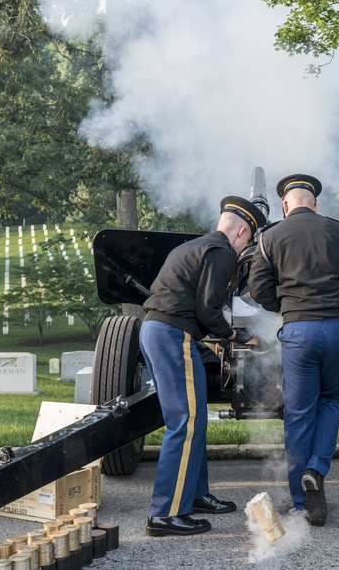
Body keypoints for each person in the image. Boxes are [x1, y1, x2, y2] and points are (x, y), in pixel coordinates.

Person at [140, 194, 267, 537]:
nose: (245, 248)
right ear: (242, 231)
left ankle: (195, 494)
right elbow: (208, 310)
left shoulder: (193, 246)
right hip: (172, 334)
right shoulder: (222, 252)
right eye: (248, 240)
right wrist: (234, 335)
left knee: (193, 421)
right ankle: (165, 514)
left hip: (156, 329)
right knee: (184, 422)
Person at [247, 174, 339, 526]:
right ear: (314, 203)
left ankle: (301, 502)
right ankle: (316, 468)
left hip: (300, 330)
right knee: (331, 401)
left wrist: (287, 306)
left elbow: (257, 288)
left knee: (299, 412)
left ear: (285, 206)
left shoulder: (270, 236)